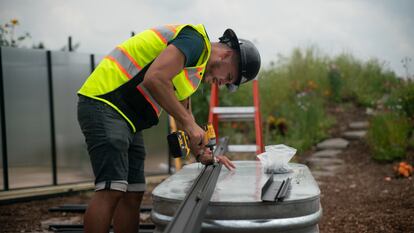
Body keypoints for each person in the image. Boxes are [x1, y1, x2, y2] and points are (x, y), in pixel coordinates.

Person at [77, 24, 261, 233]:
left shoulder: (194, 69)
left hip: (128, 120)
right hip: (105, 102)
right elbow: (155, 78)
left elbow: (184, 115)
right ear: (227, 55)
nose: (221, 83)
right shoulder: (194, 41)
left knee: (133, 192)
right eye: (228, 77)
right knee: (111, 189)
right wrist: (190, 124)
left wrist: (204, 153)